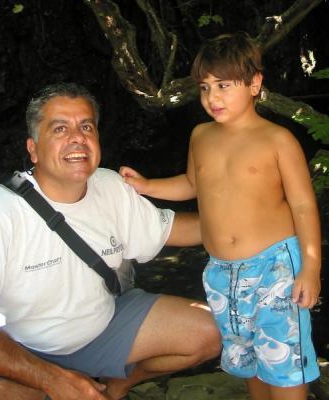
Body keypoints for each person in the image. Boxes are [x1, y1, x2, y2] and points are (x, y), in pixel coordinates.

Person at [0, 82, 222, 400]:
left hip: (102, 329)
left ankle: (115, 386)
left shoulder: (110, 186)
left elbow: (175, 230)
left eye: (86, 126)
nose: (77, 138)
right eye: (60, 128)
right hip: (19, 350)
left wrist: (254, 221)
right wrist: (51, 379)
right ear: (33, 148)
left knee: (210, 330)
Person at [120, 31, 321, 400]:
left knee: (284, 361)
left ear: (255, 83)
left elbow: (304, 206)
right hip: (220, 274)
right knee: (247, 358)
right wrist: (148, 186)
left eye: (224, 85)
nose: (212, 97)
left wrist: (310, 268)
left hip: (274, 267)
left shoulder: (278, 140)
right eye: (205, 87)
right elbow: (192, 184)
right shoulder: (201, 136)